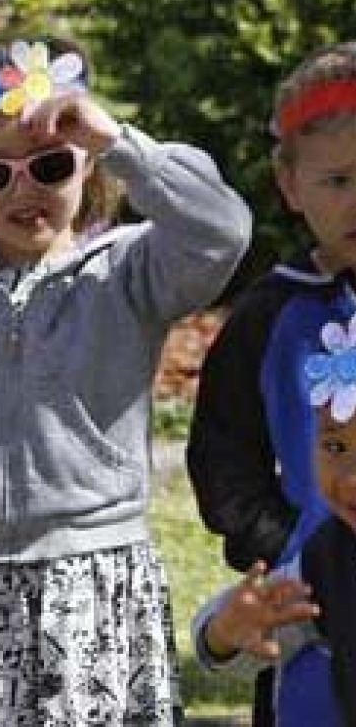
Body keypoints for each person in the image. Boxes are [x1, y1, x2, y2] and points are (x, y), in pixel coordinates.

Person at [0, 37, 252, 724]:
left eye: (49, 164)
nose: (24, 189)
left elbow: (223, 231)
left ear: (85, 161)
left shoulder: (129, 273)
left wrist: (119, 140)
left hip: (99, 584)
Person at [186, 41, 356, 725]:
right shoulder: (270, 317)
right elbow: (223, 458)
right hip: (313, 609)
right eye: (338, 181)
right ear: (290, 185)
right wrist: (286, 543)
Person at [192, 319, 356, 725]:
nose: (350, 478)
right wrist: (225, 632)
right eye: (335, 446)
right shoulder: (325, 558)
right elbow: (259, 640)